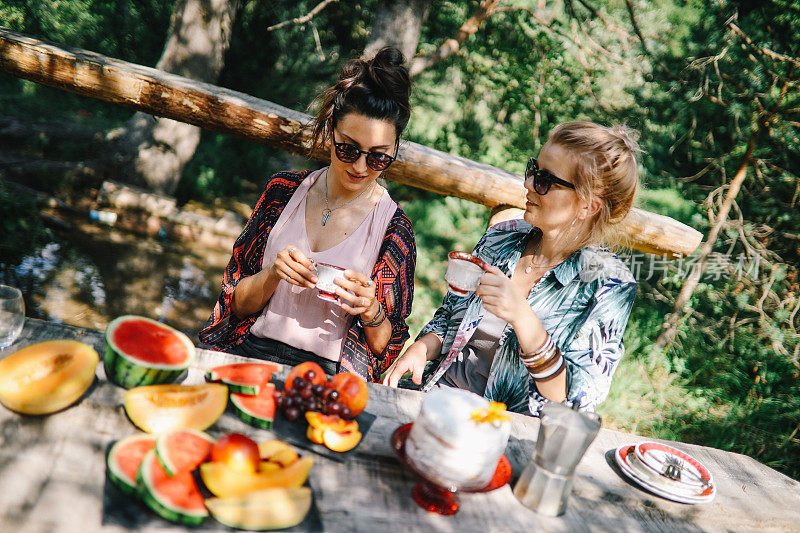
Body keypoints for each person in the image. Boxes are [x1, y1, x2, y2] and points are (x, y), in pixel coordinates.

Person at [383, 122, 640, 415]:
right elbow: (449, 318)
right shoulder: (503, 236)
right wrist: (420, 349)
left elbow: (575, 396)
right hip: (435, 402)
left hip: (510, 435)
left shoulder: (608, 285)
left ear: (587, 206)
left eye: (545, 180)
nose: (528, 184)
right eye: (533, 169)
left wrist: (522, 317)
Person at [200, 48, 416, 382]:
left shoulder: (395, 232)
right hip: (251, 349)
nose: (360, 167)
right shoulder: (282, 191)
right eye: (348, 148)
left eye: (378, 158)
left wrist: (371, 310)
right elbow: (236, 303)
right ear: (331, 130)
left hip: (329, 376)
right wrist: (272, 273)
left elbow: (385, 348)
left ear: (395, 148)